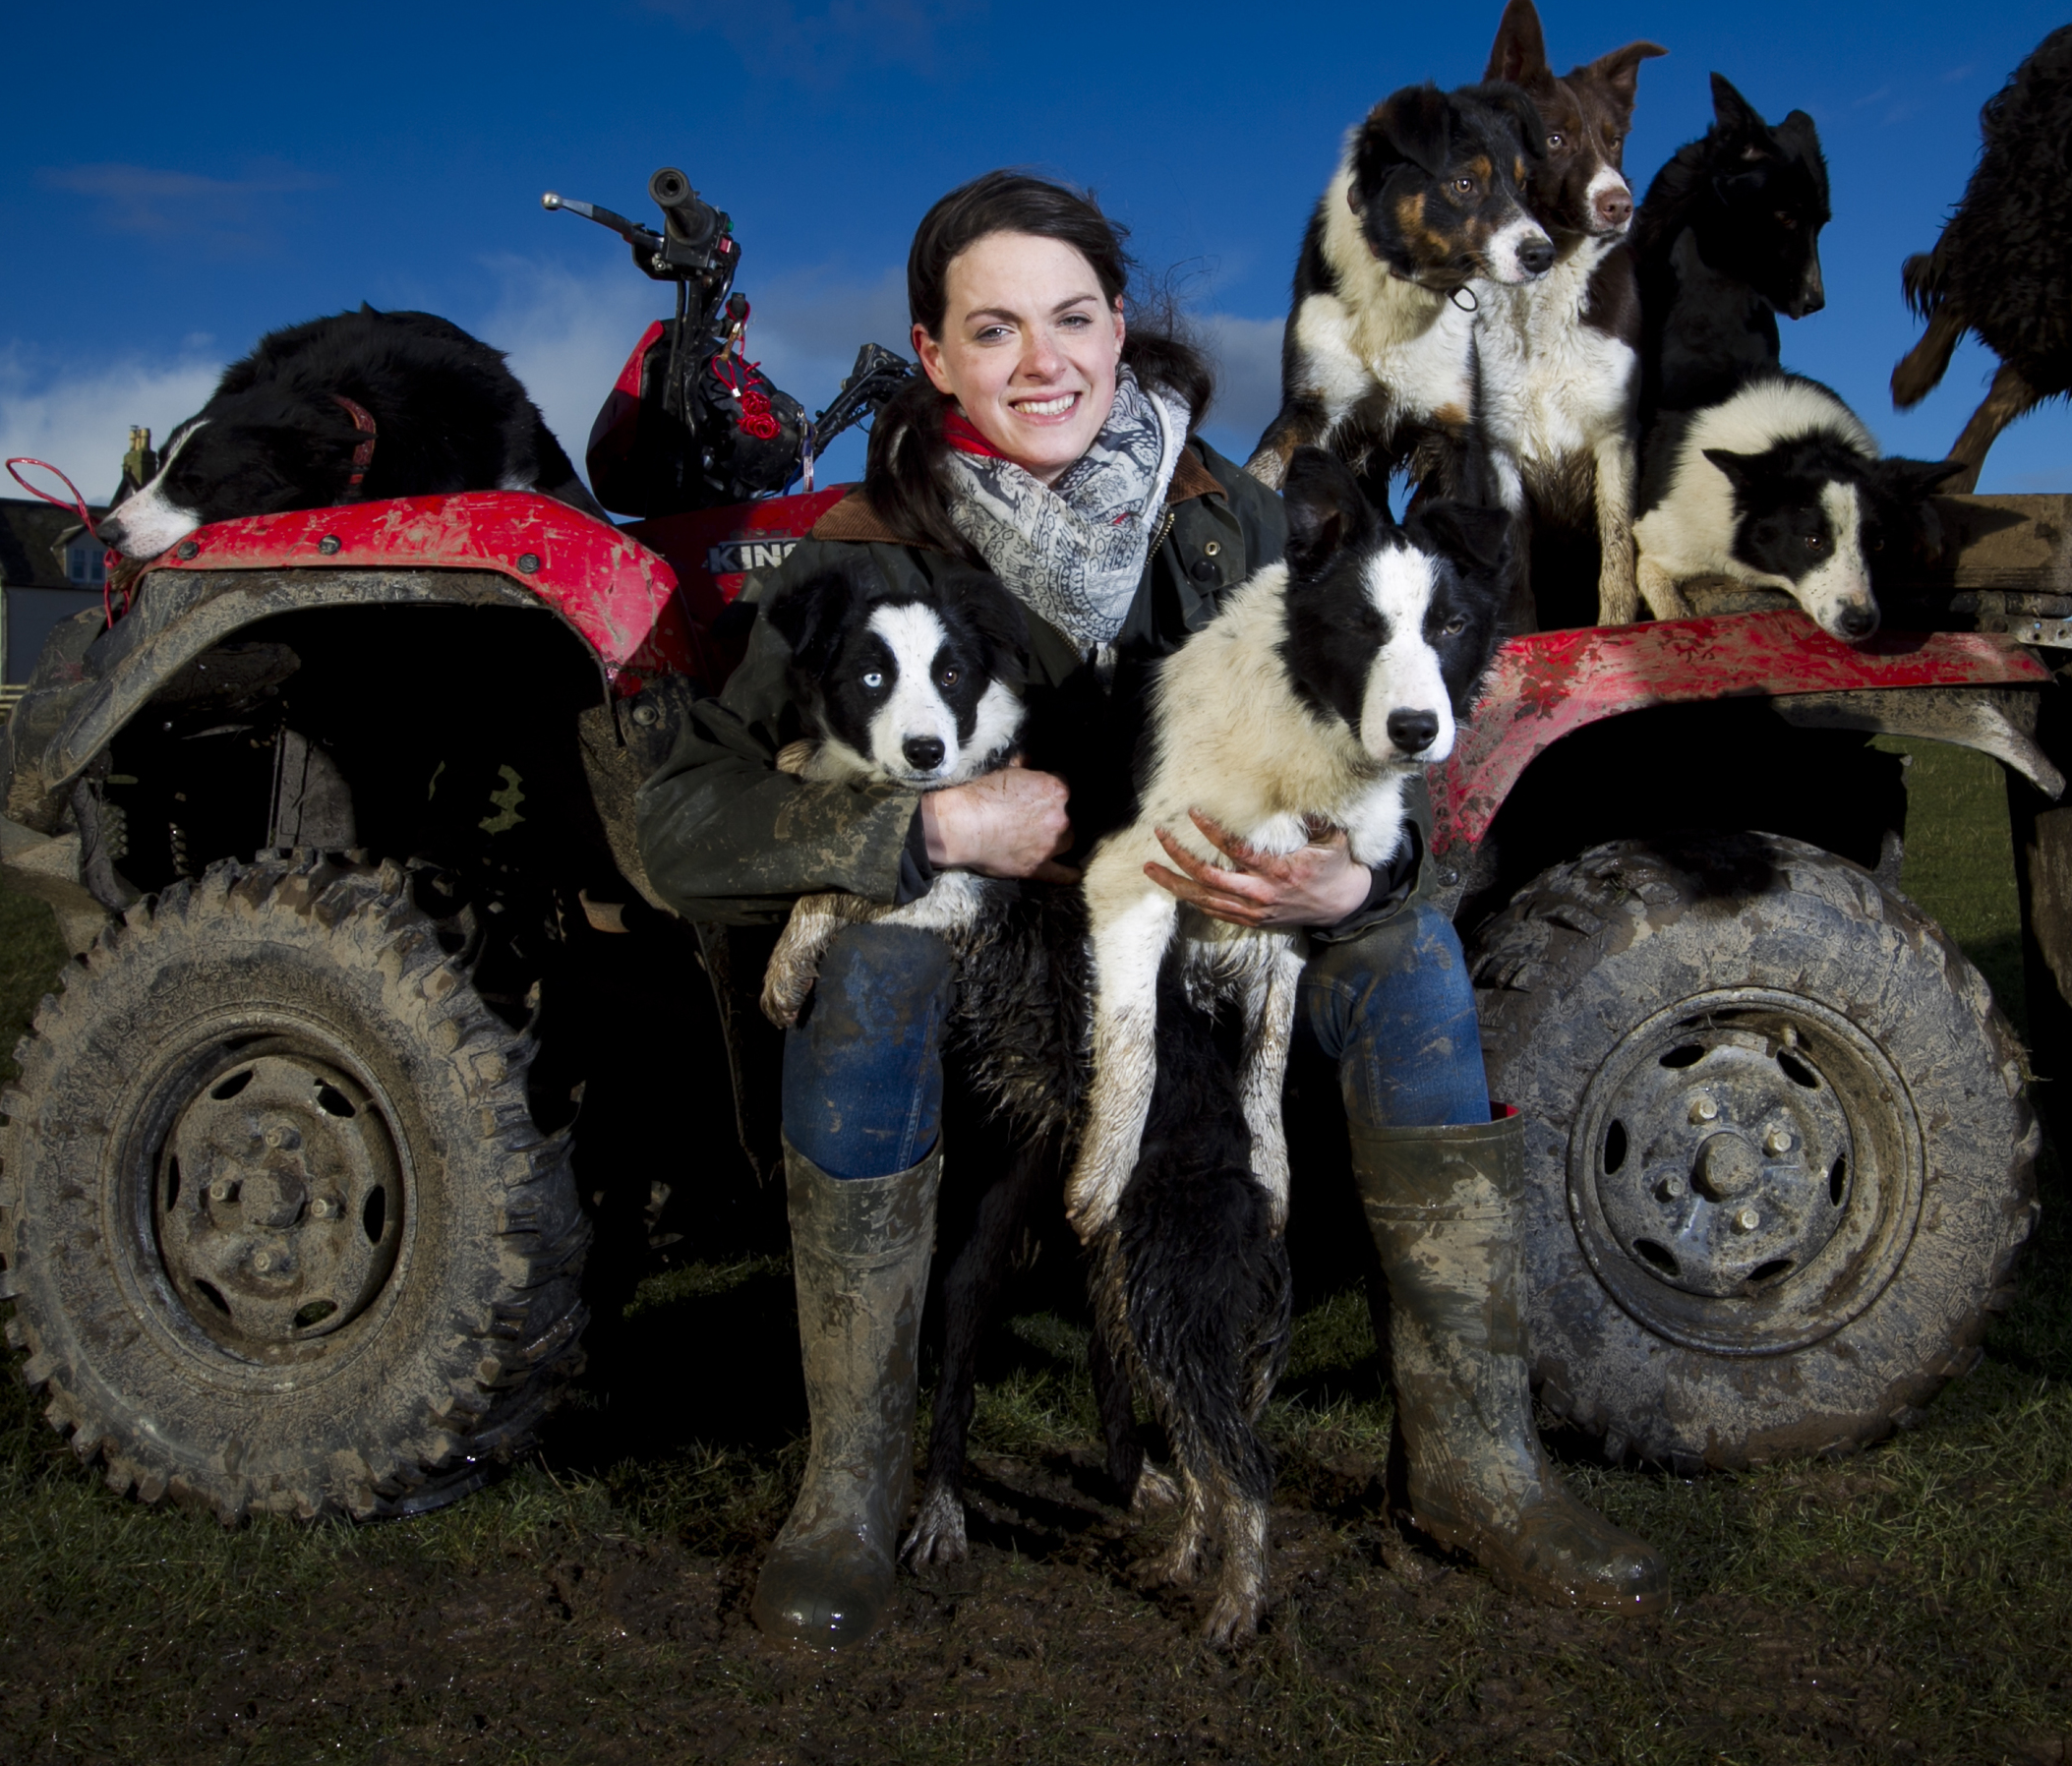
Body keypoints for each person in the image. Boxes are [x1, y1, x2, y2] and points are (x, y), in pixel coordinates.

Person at [638, 170, 1668, 1644]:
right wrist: (925, 822)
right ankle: (849, 1493)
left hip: (1198, 904)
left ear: (1119, 328)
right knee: (866, 969)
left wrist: (1357, 870)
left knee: (1411, 952)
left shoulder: (1232, 517)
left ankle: (1473, 1463)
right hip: (983, 918)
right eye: (992, 331)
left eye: (1070, 318)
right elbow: (682, 808)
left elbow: (1402, 736)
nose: (1039, 360)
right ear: (933, 355)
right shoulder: (859, 546)